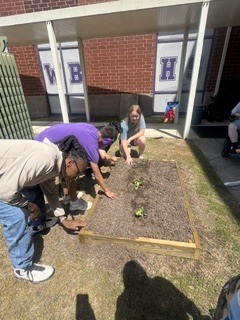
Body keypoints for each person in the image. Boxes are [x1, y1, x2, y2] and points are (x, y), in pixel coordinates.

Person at [0, 136, 88, 283]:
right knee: (16, 215)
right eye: (78, 173)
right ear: (70, 163)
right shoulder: (46, 160)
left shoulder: (54, 163)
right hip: (3, 185)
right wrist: (28, 206)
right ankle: (23, 268)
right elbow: (5, 191)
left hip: (4, 177)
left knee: (33, 186)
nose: (77, 177)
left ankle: (38, 225)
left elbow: (51, 192)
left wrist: (63, 219)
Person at [35, 122, 120, 209]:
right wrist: (107, 191)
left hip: (42, 137)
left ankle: (67, 197)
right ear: (106, 141)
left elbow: (102, 151)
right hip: (43, 147)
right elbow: (97, 174)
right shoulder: (90, 143)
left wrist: (111, 158)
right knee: (72, 171)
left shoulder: (92, 129)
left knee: (65, 167)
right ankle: (75, 203)